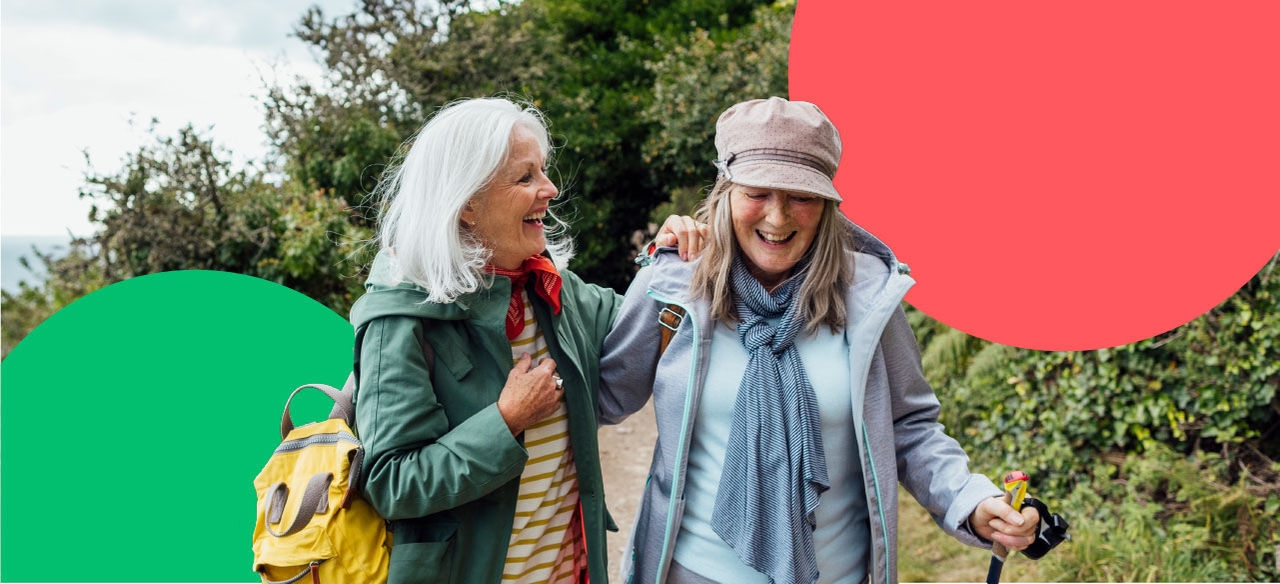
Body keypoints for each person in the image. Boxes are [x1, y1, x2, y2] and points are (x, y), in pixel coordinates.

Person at [598, 97, 1040, 584]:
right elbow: (600, 397)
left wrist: (971, 501)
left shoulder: (866, 295)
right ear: (725, 191)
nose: (778, 216)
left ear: (827, 204)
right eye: (758, 192)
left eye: (801, 196)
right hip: (694, 572)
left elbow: (910, 427)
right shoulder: (675, 285)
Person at [349, 97, 700, 584]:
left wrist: (666, 257)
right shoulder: (401, 320)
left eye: (544, 172)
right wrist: (505, 420)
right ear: (467, 204)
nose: (550, 189)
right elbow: (391, 482)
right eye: (525, 177)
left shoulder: (552, 290)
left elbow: (645, 328)